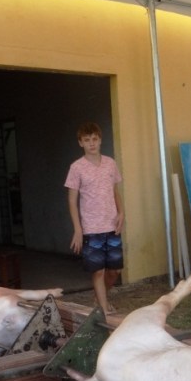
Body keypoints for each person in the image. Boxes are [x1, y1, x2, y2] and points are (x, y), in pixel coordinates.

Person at [64, 122, 124, 323]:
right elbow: (72, 200)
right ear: (80, 142)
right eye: (87, 140)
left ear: (100, 140)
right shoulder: (76, 167)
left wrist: (122, 212)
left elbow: (115, 191)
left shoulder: (110, 163)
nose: (92, 143)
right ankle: (104, 307)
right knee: (98, 271)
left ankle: (99, 296)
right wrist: (78, 229)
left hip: (112, 225)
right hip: (91, 228)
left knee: (114, 271)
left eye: (95, 139)